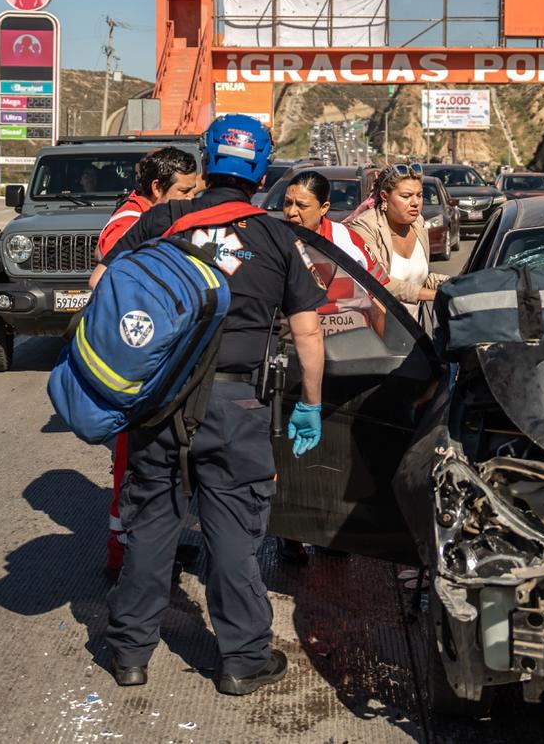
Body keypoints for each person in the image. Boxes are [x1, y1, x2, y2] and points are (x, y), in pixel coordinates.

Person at [95, 115, 328, 697]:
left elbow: (103, 283)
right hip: (236, 404)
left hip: (161, 401)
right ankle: (243, 661)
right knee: (233, 533)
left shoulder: (165, 219)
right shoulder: (277, 236)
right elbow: (308, 332)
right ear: (263, 172)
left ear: (207, 161)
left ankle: (129, 655)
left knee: (152, 527)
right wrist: (311, 404)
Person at [274, 169, 388, 566]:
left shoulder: (346, 241)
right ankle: (289, 533)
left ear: (324, 208)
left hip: (345, 359)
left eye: (301, 206)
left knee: (336, 451)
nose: (291, 212)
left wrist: (382, 351)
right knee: (291, 451)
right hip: (292, 360)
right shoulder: (276, 238)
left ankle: (332, 532)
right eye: (287, 203)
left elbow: (379, 296)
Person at [97, 147, 202, 575]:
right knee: (133, 469)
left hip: (152, 362)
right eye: (184, 192)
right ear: (157, 188)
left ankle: (154, 548)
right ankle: (124, 558)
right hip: (138, 367)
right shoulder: (128, 223)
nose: (191, 200)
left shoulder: (150, 215)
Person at [346, 165, 447, 317]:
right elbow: (379, 282)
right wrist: (433, 295)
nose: (415, 202)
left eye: (419, 195)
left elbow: (417, 278)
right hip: (376, 326)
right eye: (406, 196)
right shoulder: (365, 227)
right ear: (385, 196)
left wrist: (453, 283)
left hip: (413, 327)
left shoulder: (418, 223)